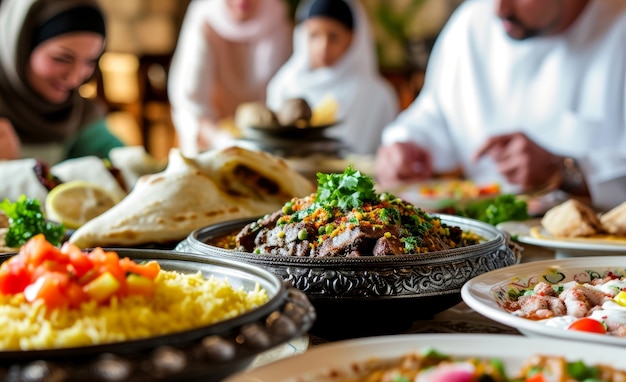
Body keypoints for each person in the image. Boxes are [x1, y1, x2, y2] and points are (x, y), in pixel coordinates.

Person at [375, 0, 626, 211]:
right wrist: (406, 144)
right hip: (483, 238)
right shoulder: (473, 20)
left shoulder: (618, 29)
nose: (499, 9)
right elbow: (434, 112)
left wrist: (562, 170)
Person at [265, 0, 398, 156]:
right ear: (301, 35)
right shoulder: (284, 85)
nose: (323, 46)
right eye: (314, 35)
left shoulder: (377, 95)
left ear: (352, 38)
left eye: (333, 37)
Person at [0, 0, 125, 164]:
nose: (75, 79)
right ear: (21, 48)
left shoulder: (78, 115)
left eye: (90, 61)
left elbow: (128, 163)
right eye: (61, 59)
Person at [168, 0, 293, 156]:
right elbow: (191, 104)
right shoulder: (205, 22)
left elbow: (287, 95)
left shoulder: (277, 20)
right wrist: (224, 141)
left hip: (271, 149)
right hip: (212, 147)